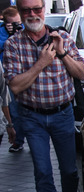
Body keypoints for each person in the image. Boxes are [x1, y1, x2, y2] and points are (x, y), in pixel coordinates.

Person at [3, 0, 84, 192]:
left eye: (36, 9)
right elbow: (16, 85)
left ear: (43, 9)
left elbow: (81, 73)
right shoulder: (13, 45)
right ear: (19, 12)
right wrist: (41, 63)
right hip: (32, 117)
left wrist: (61, 53)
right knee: (42, 172)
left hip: (62, 114)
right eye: (26, 10)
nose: (32, 14)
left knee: (69, 170)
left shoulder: (62, 37)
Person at [1, 7, 26, 153]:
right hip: (6, 75)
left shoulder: (25, 30)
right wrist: (10, 36)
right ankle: (18, 140)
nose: (17, 25)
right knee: (13, 108)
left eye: (18, 22)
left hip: (24, 74)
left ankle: (30, 135)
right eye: (12, 23)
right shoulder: (1, 33)